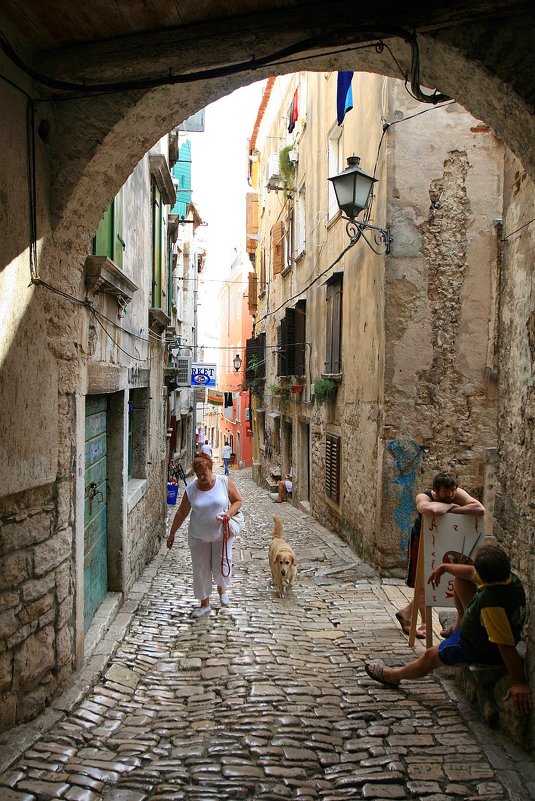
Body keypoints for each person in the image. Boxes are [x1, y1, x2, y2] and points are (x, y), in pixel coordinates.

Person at [365, 544, 532, 716]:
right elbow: (468, 573)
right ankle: (459, 625)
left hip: (475, 645)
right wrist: (444, 568)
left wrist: (518, 681)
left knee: (429, 656)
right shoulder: (508, 579)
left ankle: (394, 676)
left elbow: (505, 645)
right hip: (479, 628)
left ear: (484, 576)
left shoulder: (492, 603)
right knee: (460, 581)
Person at [396, 473, 485, 639]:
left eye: (453, 491)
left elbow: (480, 509)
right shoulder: (424, 496)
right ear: (435, 491)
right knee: (423, 580)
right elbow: (430, 509)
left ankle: (410, 616)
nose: (451, 495)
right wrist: (455, 509)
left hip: (447, 539)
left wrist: (451, 508)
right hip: (422, 539)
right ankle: (411, 616)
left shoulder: (456, 495)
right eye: (446, 492)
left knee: (433, 581)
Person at [166, 453, 242, 617]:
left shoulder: (223, 482)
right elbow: (181, 513)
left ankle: (222, 589)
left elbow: (237, 501)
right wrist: (172, 533)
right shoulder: (191, 489)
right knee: (200, 569)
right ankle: (204, 604)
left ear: (210, 469)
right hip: (198, 535)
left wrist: (228, 513)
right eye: (198, 475)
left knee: (222, 563)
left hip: (221, 534)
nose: (201, 477)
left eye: (204, 474)